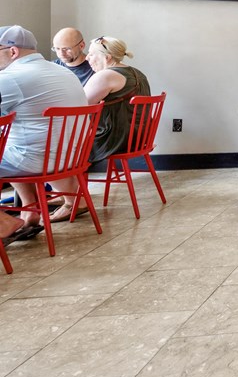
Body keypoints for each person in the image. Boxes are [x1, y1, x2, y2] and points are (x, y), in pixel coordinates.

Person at [0, 25, 88, 241]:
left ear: (13, 51)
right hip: (72, 159)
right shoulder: (64, 72)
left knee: (13, 148)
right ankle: (30, 213)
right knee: (16, 143)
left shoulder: (10, 77)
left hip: (38, 160)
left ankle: (4, 222)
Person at [84, 36, 151, 168]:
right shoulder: (138, 73)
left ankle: (67, 185)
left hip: (114, 139)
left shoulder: (105, 76)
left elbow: (79, 104)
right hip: (139, 138)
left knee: (62, 145)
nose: (87, 58)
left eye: (91, 54)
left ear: (107, 57)